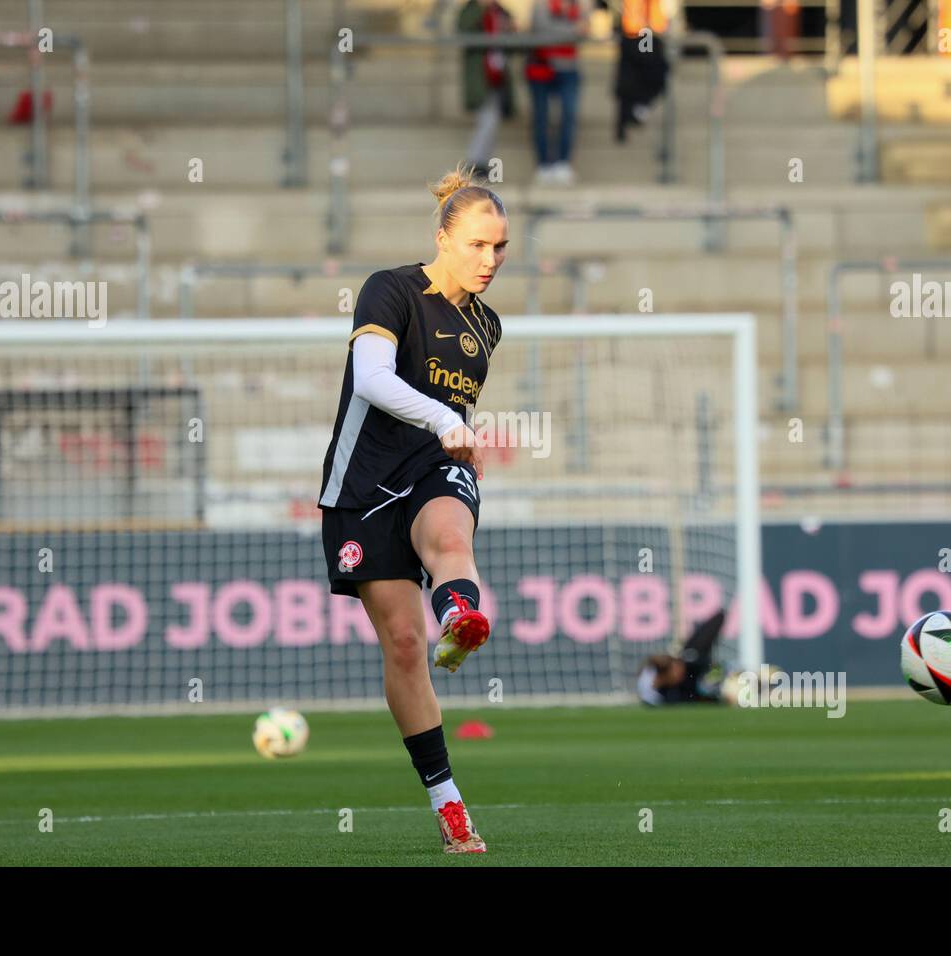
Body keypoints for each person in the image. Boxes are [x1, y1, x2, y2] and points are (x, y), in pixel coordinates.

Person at [317, 165, 508, 854]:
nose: (489, 261)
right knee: (402, 644)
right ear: (444, 238)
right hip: (363, 483)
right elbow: (372, 379)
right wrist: (443, 418)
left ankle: (459, 615)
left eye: (500, 248)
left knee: (450, 537)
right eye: (478, 245)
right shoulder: (391, 288)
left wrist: (453, 436)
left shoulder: (486, 327)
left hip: (434, 465)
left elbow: (448, 415)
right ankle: (448, 801)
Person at [526, 0, 589, 185]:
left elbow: (584, 30)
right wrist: (571, 30)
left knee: (569, 115)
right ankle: (544, 164)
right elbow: (541, 30)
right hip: (542, 68)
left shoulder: (581, 4)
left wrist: (560, 30)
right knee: (541, 117)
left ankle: (563, 163)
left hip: (569, 68)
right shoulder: (540, 5)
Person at [458, 0, 517, 181]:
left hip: (498, 75)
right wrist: (481, 10)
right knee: (488, 119)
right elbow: (464, 31)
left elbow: (513, 44)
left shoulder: (501, 12)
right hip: (481, 75)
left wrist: (511, 28)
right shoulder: (471, 10)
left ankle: (482, 165)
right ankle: (474, 164)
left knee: (492, 119)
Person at [637, 610, 727, 705]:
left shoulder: (690, 656)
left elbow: (719, 617)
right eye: (675, 670)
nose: (679, 670)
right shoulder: (665, 694)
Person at [614, 0, 672, 143]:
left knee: (655, 71)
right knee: (633, 76)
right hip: (636, 34)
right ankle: (629, 115)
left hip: (646, 34)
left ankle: (638, 107)